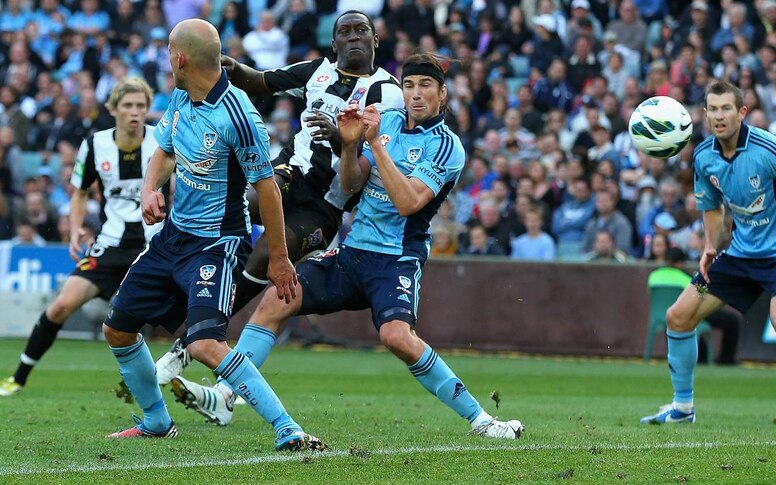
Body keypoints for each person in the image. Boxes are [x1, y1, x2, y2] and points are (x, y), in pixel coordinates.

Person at [172, 53, 524, 439]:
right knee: (278, 297)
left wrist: (374, 143)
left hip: (396, 259)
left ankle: (481, 420)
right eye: (409, 86)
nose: (415, 94)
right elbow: (354, 183)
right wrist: (352, 147)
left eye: (425, 86)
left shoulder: (446, 146)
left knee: (395, 337)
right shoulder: (386, 121)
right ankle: (225, 395)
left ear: (443, 95)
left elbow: (408, 203)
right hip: (353, 252)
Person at [100, 19, 325, 452]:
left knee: (205, 343)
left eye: (168, 50)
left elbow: (268, 190)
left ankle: (288, 428)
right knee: (117, 329)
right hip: (172, 238)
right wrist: (150, 190)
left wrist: (279, 258)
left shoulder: (239, 115)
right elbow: (164, 150)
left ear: (180, 58)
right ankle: (155, 421)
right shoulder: (182, 97)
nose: (167, 57)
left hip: (217, 244)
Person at [155, 10, 404, 386]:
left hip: (326, 204)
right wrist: (229, 66)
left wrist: (340, 138)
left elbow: (370, 161)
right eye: (345, 32)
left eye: (362, 30)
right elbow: (260, 81)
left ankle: (190, 341)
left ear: (375, 40)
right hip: (288, 175)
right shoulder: (315, 71)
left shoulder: (389, 92)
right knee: (240, 205)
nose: (354, 37)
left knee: (273, 253)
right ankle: (199, 274)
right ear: (333, 43)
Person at [640, 80, 776, 431]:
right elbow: (710, 205)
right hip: (738, 254)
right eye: (712, 109)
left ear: (742, 112)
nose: (719, 116)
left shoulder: (770, 149)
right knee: (678, 317)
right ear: (704, 114)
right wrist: (710, 245)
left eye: (726, 108)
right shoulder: (704, 156)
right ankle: (682, 407)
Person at [0, 78, 162, 397]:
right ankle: (18, 377)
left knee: (166, 315)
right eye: (127, 105)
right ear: (113, 108)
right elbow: (80, 192)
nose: (134, 112)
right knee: (61, 306)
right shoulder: (95, 144)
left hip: (152, 245)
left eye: (141, 106)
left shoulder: (160, 140)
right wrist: (75, 228)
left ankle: (213, 384)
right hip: (109, 244)